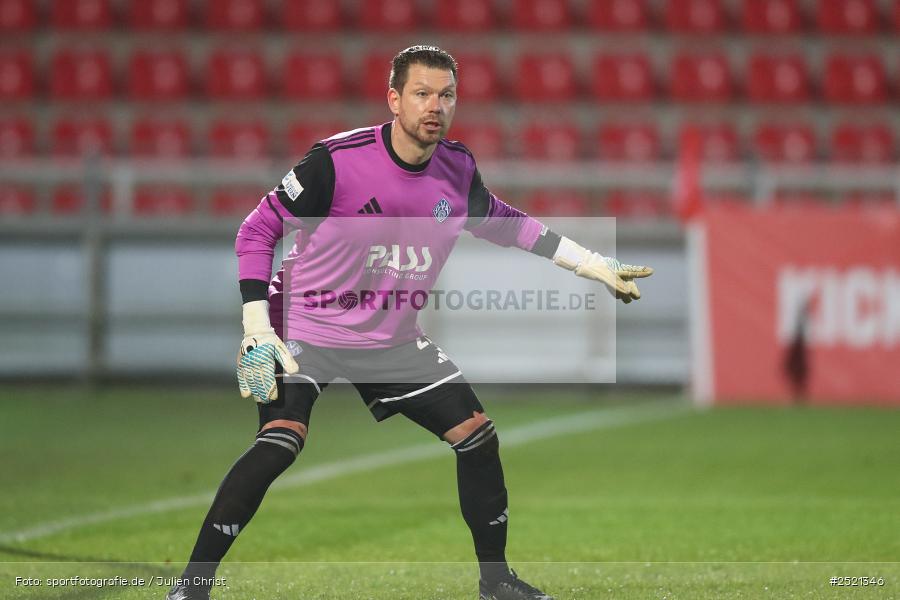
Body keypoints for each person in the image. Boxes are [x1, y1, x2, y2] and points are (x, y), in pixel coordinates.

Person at [167, 45, 652, 600]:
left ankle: (495, 583)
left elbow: (507, 223)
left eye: (446, 95)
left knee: (477, 438)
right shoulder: (334, 162)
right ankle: (192, 588)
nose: (435, 106)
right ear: (394, 99)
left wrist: (592, 263)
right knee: (280, 442)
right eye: (422, 93)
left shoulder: (457, 168)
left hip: (389, 338)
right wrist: (257, 326)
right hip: (302, 326)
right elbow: (256, 231)